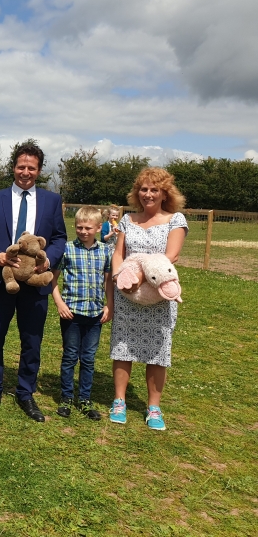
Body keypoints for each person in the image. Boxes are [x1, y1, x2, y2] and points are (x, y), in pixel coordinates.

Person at [0, 142, 67, 422]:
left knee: (32, 340)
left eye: (31, 167)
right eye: (21, 166)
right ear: (13, 168)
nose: (25, 172)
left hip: (35, 283)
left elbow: (59, 238)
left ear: (39, 171)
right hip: (0, 281)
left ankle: (26, 392)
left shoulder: (52, 201)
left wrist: (47, 261)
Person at [109, 168, 187, 430]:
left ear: (165, 193)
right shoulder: (128, 220)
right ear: (137, 192)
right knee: (123, 347)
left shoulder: (175, 220)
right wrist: (121, 278)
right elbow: (118, 254)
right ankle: (119, 401)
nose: (148, 194)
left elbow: (171, 256)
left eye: (154, 189)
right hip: (126, 295)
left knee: (158, 352)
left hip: (158, 297)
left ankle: (154, 407)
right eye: (144, 189)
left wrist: (137, 278)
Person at [51, 207, 114, 421]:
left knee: (88, 358)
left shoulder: (106, 251)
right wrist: (59, 303)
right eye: (79, 227)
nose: (84, 231)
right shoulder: (67, 250)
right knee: (70, 356)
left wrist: (110, 306)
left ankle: (85, 399)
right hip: (72, 313)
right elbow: (53, 280)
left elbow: (108, 283)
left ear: (98, 228)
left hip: (95, 314)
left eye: (88, 228)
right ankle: (67, 398)